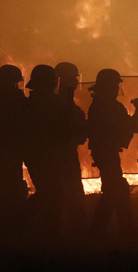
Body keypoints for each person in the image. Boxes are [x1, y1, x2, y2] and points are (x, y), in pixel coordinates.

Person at [87, 69, 138, 239]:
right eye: (114, 85)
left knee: (119, 188)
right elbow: (129, 126)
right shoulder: (110, 106)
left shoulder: (98, 104)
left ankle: (126, 227)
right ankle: (98, 230)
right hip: (106, 152)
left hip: (103, 151)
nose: (116, 88)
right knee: (113, 190)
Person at [0, 64, 28, 236]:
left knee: (2, 190)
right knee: (9, 190)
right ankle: (8, 228)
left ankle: (0, 228)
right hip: (5, 151)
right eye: (14, 83)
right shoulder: (5, 102)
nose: (16, 87)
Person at [22, 64, 63, 242]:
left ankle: (47, 232)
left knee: (53, 194)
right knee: (52, 193)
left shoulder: (36, 103)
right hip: (40, 156)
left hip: (41, 155)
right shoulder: (39, 105)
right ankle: (25, 223)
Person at [54, 62, 87, 239]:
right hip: (61, 154)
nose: (75, 82)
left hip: (64, 153)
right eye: (72, 79)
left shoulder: (63, 102)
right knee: (66, 194)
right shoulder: (59, 104)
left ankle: (74, 232)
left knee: (67, 194)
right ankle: (75, 234)